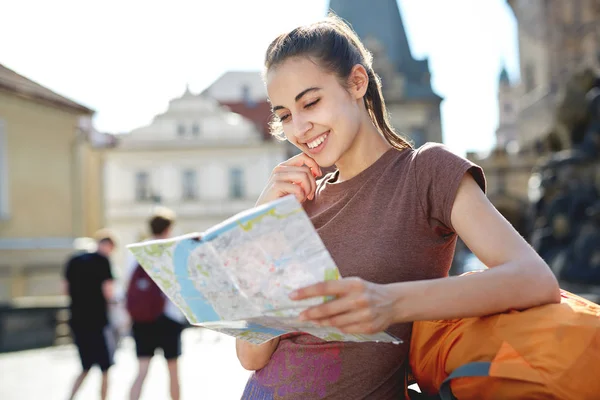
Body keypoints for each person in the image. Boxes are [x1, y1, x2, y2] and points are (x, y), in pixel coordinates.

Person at [236, 15, 561, 400]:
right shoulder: (297, 203)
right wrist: (261, 225)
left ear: (357, 82)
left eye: (311, 102)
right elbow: (252, 354)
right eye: (285, 115)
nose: (300, 128)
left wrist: (391, 303)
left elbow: (534, 280)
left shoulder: (425, 171)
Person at [128, 208, 186, 400]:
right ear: (168, 228)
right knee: (173, 372)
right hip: (168, 318)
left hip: (142, 320)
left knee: (142, 371)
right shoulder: (171, 249)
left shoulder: (136, 251)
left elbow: (127, 287)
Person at [63, 230, 117, 400]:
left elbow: (64, 288)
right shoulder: (103, 261)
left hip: (77, 319)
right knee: (105, 367)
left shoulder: (73, 260)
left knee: (85, 366)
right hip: (98, 320)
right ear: (108, 245)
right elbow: (108, 291)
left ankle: (70, 397)